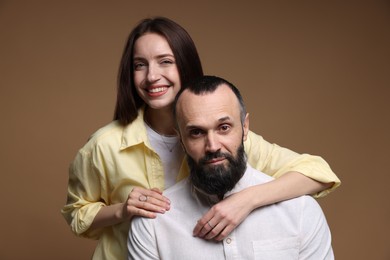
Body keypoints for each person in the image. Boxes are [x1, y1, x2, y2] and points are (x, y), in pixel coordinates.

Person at [61, 17, 340, 259]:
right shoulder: (104, 145)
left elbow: (317, 173)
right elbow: (76, 213)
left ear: (185, 65)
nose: (152, 76)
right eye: (139, 65)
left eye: (165, 62)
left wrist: (245, 200)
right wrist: (123, 210)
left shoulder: (228, 140)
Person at [128, 75, 334, 259]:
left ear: (245, 128)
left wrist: (249, 199)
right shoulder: (152, 225)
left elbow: (321, 173)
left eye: (224, 128)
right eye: (197, 132)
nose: (213, 146)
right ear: (180, 138)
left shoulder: (300, 211)